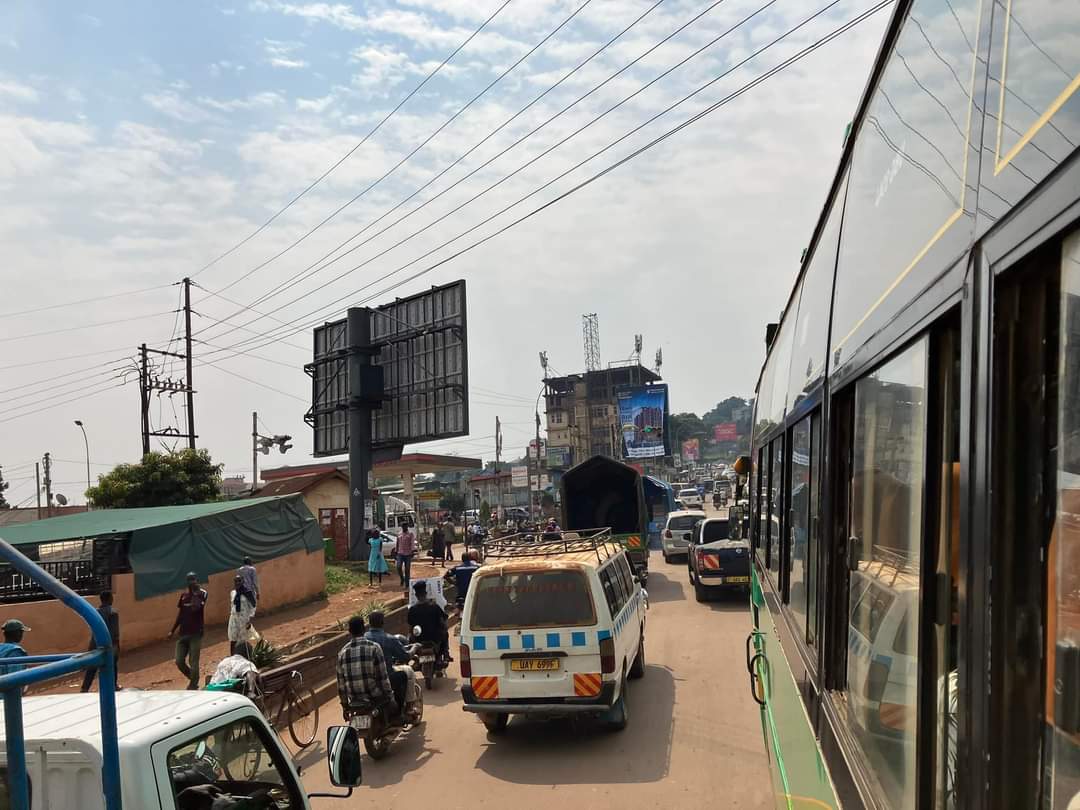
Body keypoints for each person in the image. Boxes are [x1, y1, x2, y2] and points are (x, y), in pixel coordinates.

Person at [336, 615, 396, 717]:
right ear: (364, 629)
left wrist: (345, 706)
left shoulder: (342, 653)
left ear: (349, 631)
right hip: (374, 696)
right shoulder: (374, 647)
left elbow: (341, 685)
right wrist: (391, 698)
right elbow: (383, 677)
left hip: (354, 699)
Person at [169, 572, 208, 690]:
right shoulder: (183, 596)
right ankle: (193, 677)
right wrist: (172, 630)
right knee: (179, 661)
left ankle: (193, 684)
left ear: (197, 580)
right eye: (189, 580)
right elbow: (180, 614)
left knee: (193, 661)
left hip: (195, 633)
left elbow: (196, 608)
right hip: (183, 634)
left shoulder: (202, 593)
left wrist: (195, 593)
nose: (191, 582)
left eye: (193, 579)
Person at [364, 611, 411, 710]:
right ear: (382, 623)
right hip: (384, 679)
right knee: (403, 675)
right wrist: (414, 648)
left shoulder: (363, 638)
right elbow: (405, 657)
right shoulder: (389, 639)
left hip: (366, 682)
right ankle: (400, 709)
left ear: (369, 623)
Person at [81, 591, 120, 692]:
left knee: (92, 667)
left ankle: (85, 688)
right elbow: (115, 632)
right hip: (108, 644)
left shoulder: (95, 612)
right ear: (110, 599)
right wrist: (116, 645)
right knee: (112, 666)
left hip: (95, 643)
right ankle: (113, 685)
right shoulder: (113, 613)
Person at [407, 581, 449, 662]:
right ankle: (446, 654)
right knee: (445, 633)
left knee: (408, 638)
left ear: (416, 595)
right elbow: (442, 622)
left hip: (419, 640)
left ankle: (413, 659)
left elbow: (410, 627)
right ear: (426, 593)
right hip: (435, 639)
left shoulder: (412, 610)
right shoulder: (434, 606)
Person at [228, 575, 256, 656]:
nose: (237, 583)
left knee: (242, 640)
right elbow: (232, 605)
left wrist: (249, 619)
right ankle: (232, 658)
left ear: (243, 581)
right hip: (234, 618)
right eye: (236, 581)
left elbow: (253, 606)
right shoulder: (233, 593)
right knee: (233, 638)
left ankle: (244, 657)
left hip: (243, 619)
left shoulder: (248, 593)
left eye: (239, 581)